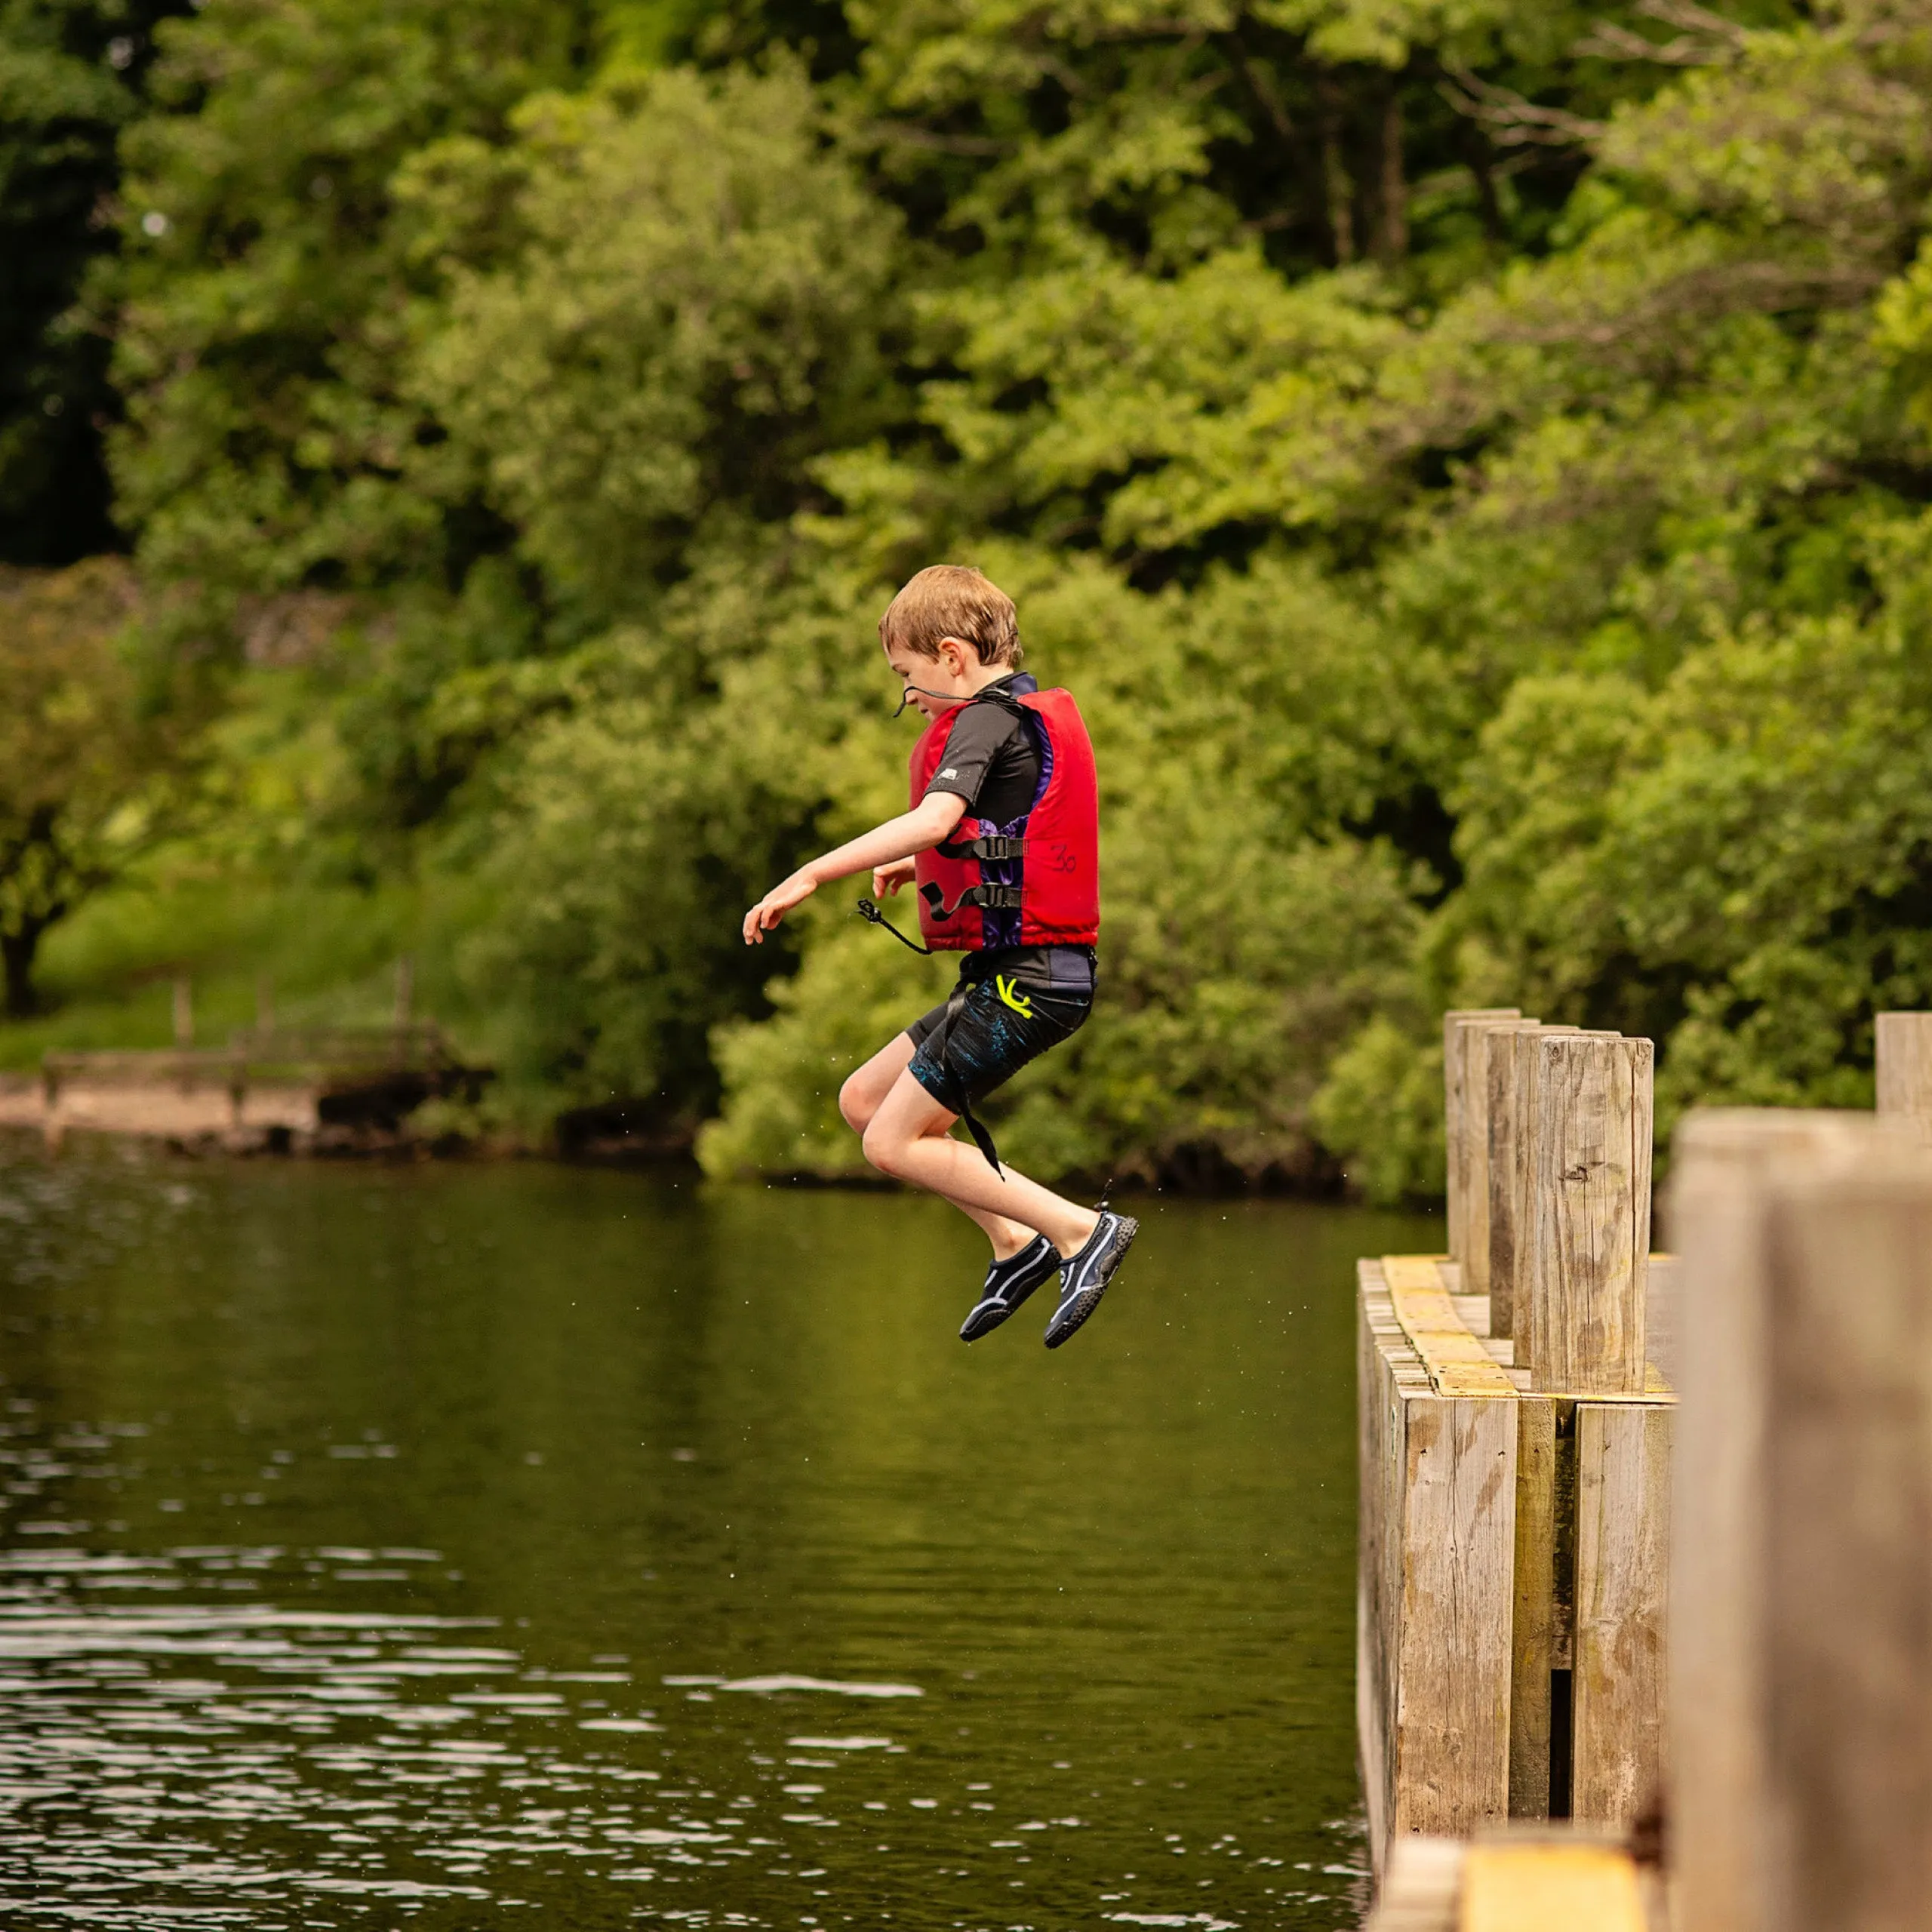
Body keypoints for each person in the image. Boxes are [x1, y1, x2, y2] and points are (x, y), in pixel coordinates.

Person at [741, 565, 1139, 1348]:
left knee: (889, 1142)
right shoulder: (1011, 719)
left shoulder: (985, 721)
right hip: (1010, 976)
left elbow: (935, 817)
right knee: (863, 1100)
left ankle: (1079, 1230)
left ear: (953, 656)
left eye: (907, 675)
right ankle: (1012, 1242)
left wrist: (814, 871)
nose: (908, 697)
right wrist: (931, 856)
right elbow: (979, 824)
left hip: (1032, 983)